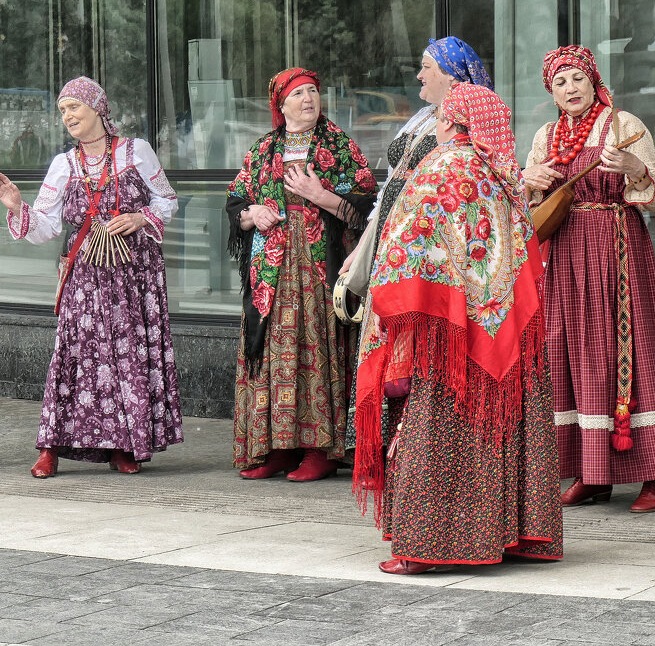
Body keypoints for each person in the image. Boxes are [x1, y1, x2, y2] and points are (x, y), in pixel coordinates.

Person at [353, 83, 562, 574]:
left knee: (437, 429)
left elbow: (403, 247)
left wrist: (386, 299)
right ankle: (507, 535)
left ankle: (428, 547)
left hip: (449, 333)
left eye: (442, 117)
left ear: (450, 122)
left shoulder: (439, 168)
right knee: (506, 425)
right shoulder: (501, 177)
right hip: (502, 328)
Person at [523, 45, 655, 513]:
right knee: (575, 351)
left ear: (593, 80)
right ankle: (592, 472)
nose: (570, 88)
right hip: (566, 254)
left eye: (577, 78)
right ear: (552, 93)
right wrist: (528, 179)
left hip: (619, 249)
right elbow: (528, 206)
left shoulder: (624, 125)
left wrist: (636, 169)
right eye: (560, 83)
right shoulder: (546, 135)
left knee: (630, 346)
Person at [0, 76, 183, 478]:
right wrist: (16, 206)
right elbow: (44, 225)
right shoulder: (64, 164)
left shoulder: (137, 152)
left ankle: (123, 445)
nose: (68, 116)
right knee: (73, 355)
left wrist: (139, 217)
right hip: (85, 276)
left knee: (126, 356)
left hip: (135, 277)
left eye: (73, 107)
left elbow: (167, 199)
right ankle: (50, 447)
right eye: (62, 111)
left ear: (97, 107)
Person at [339, 36, 493, 451]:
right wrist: (364, 246)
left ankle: (418, 444)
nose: (419, 74)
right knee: (389, 339)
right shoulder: (424, 117)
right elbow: (391, 185)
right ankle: (391, 445)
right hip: (395, 239)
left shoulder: (471, 117)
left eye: (427, 67)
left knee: (417, 341)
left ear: (449, 73)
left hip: (432, 252)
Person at [226, 67, 377, 481]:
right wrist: (251, 214)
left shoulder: (339, 145)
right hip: (270, 271)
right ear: (281, 104)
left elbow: (367, 208)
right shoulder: (261, 150)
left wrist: (320, 196)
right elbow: (236, 201)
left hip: (319, 267)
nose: (308, 99)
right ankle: (277, 446)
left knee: (315, 348)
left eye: (313, 91)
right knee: (274, 352)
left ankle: (319, 449)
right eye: (299, 94)